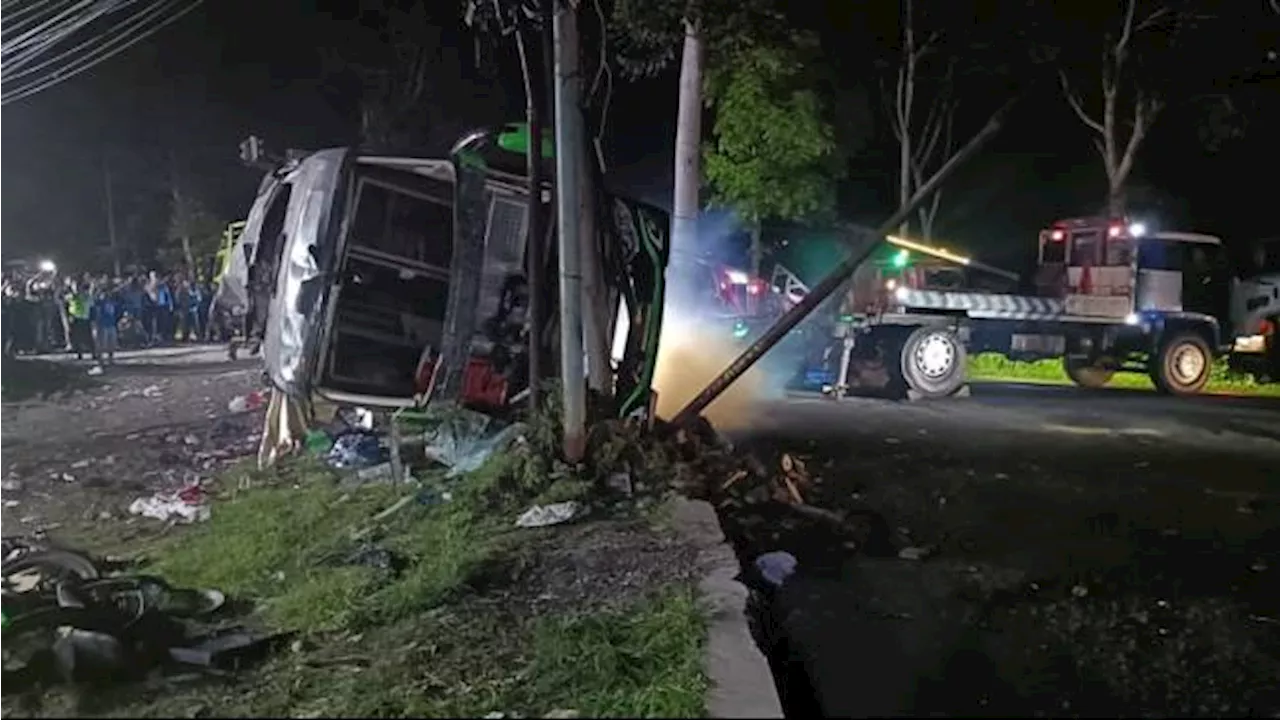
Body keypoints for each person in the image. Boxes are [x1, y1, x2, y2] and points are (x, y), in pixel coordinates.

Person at [90, 285, 121, 367]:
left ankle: (110, 359)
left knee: (112, 344)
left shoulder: (112, 302)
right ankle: (100, 361)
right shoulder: (98, 303)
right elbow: (95, 314)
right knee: (101, 344)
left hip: (111, 324)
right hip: (102, 325)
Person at [65, 281, 93, 360]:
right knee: (77, 338)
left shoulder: (85, 296)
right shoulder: (73, 296)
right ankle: (79, 354)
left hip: (84, 318)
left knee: (87, 337)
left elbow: (91, 303)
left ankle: (92, 353)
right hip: (76, 318)